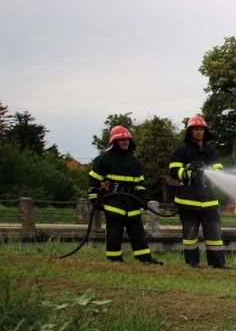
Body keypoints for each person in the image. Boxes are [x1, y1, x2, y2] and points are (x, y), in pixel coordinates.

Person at [87, 126, 163, 265]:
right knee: (114, 231)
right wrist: (94, 197)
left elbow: (140, 182)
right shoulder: (104, 159)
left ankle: (144, 257)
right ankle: (114, 258)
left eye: (127, 140)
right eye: (122, 140)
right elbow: (94, 180)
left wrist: (143, 196)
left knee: (137, 230)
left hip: (132, 201)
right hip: (113, 200)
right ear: (114, 142)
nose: (125, 142)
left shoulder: (134, 161)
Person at [168, 115, 227, 268]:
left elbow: (219, 169)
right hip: (187, 201)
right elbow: (173, 171)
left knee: (214, 234)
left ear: (205, 131)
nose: (199, 132)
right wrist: (189, 171)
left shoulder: (211, 151)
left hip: (209, 201)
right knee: (190, 235)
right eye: (196, 129)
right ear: (190, 132)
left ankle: (218, 263)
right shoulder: (181, 151)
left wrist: (207, 170)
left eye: (201, 129)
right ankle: (192, 263)